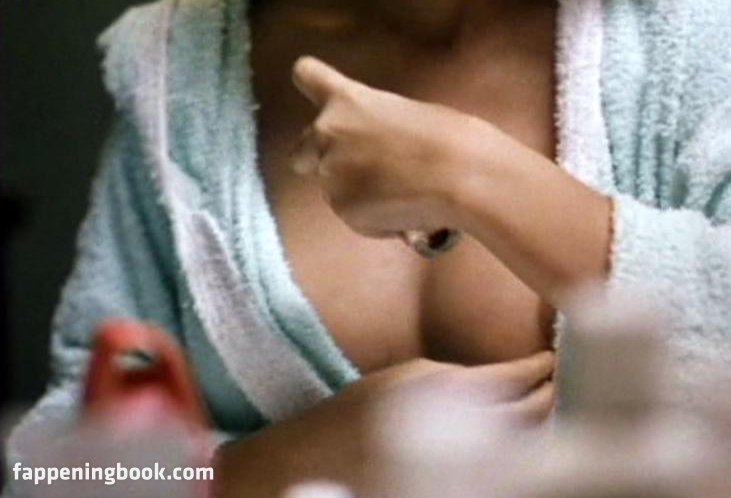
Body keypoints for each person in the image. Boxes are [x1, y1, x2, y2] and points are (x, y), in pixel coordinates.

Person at [6, 0, 731, 496]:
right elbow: (56, 473)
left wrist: (476, 176)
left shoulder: (697, 38)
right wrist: (254, 473)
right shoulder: (179, 70)